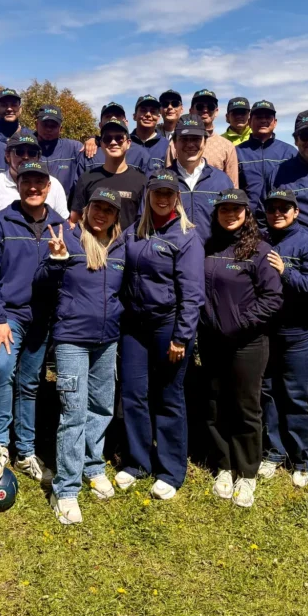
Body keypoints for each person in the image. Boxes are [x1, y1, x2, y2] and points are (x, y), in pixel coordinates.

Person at [0, 160, 69, 484]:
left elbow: (67, 271)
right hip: (8, 316)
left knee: (29, 383)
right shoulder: (0, 222)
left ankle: (25, 450)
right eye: (26, 181)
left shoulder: (60, 225)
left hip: (41, 318)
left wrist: (60, 258)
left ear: (48, 187)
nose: (33, 187)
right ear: (18, 185)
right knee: (1, 369)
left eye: (39, 182)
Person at [37, 189, 126, 525]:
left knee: (101, 407)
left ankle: (93, 466)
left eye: (109, 210)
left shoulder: (120, 247)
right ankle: (66, 488)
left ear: (116, 217)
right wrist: (56, 260)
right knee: (73, 413)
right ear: (86, 210)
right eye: (97, 207)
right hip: (72, 339)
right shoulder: (68, 240)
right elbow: (41, 284)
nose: (102, 214)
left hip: (107, 341)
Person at [116, 171, 205, 500]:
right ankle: (138, 462)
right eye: (158, 192)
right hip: (134, 327)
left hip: (169, 326)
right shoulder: (134, 232)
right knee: (133, 393)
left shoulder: (186, 236)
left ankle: (170, 470)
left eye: (169, 193)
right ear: (149, 195)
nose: (163, 198)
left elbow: (192, 293)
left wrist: (181, 337)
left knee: (168, 395)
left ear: (177, 197)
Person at [199, 189, 283, 508]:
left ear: (247, 214)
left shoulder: (260, 250)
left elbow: (273, 297)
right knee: (215, 402)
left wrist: (240, 323)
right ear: (217, 213)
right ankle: (223, 465)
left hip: (248, 342)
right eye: (224, 209)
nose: (230, 214)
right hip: (212, 339)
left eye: (237, 209)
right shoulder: (207, 247)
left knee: (246, 406)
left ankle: (247, 472)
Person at [257, 188, 308, 488]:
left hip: (297, 333)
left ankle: (303, 457)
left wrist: (286, 271)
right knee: (268, 391)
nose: (277, 213)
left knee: (296, 394)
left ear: (296, 212)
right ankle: (274, 450)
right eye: (272, 208)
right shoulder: (260, 240)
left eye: (284, 208)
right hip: (265, 331)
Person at [69, 115, 146, 231]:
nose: (113, 142)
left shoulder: (141, 181)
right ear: (101, 143)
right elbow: (75, 219)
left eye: (119, 138)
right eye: (107, 138)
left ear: (128, 143)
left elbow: (143, 223)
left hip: (127, 242)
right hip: (91, 242)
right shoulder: (87, 178)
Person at [167, 114, 234, 244]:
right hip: (172, 255)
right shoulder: (161, 181)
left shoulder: (222, 181)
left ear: (205, 142)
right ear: (174, 142)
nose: (190, 144)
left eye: (196, 139)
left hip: (212, 255)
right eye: (184, 139)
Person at [0, 129, 69, 219]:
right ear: (7, 156)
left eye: (32, 153)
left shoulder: (54, 186)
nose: (26, 157)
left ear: (38, 157)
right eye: (20, 152)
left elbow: (64, 223)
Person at [165, 89, 239, 187]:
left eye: (210, 106)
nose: (205, 110)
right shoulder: (175, 144)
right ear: (191, 110)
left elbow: (233, 187)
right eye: (200, 106)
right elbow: (167, 178)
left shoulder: (227, 146)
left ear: (216, 111)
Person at [236, 100, 296, 214]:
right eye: (258, 117)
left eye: (268, 117)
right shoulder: (237, 152)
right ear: (249, 122)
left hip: (280, 216)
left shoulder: (290, 152)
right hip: (247, 217)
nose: (263, 120)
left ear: (275, 122)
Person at [75, 103, 150, 177]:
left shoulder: (141, 154)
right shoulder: (88, 153)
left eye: (118, 115)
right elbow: (80, 183)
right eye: (108, 116)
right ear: (100, 125)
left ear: (126, 123)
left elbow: (149, 183)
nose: (113, 118)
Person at [35, 104, 85, 195]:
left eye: (53, 126)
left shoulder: (74, 148)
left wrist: (95, 140)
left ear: (60, 129)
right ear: (36, 125)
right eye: (45, 125)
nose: (49, 129)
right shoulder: (26, 149)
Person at [129, 94, 169, 173]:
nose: (148, 114)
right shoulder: (124, 144)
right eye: (143, 110)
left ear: (158, 118)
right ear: (134, 116)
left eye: (153, 111)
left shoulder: (167, 146)